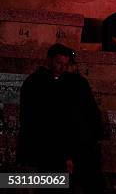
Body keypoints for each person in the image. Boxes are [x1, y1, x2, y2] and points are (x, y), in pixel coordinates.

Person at [17, 43, 105, 193]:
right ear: (49, 61)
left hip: (75, 145)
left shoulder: (76, 83)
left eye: (65, 64)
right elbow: (34, 120)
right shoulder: (35, 83)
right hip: (46, 145)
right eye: (58, 63)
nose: (62, 68)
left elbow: (89, 114)